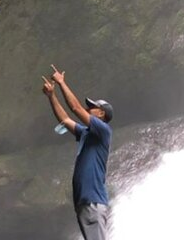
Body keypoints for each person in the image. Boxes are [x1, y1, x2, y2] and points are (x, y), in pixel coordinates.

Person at [42, 64, 114, 240]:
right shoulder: (86, 134)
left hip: (93, 202)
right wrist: (52, 96)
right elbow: (66, 119)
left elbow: (75, 109)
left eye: (93, 107)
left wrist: (61, 83)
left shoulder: (103, 130)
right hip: (84, 204)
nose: (89, 108)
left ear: (101, 114)